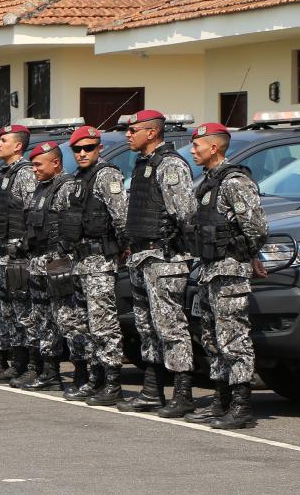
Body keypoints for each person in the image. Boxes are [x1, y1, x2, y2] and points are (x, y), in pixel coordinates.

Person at [185, 123, 268, 429]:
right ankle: (221, 400)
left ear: (214, 148)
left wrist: (248, 255)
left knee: (234, 338)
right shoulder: (209, 181)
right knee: (212, 338)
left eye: (197, 146)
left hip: (230, 270)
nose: (193, 151)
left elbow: (257, 226)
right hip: (209, 270)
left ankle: (241, 405)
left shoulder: (235, 181)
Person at [118, 110, 197, 417]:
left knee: (171, 327)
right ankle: (152, 391)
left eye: (133, 129)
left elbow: (186, 214)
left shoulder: (171, 165)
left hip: (163, 259)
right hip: (141, 258)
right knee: (146, 327)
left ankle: (183, 393)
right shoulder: (143, 165)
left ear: (151, 133)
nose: (128, 134)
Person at [58, 126, 128, 405]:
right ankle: (94, 377)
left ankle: (112, 382)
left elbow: (121, 216)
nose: (83, 153)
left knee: (103, 323)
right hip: (79, 261)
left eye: (89, 148)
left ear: (99, 148)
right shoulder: (78, 179)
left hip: (100, 260)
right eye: (77, 149)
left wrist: (123, 249)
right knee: (83, 323)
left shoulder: (107, 175)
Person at [23, 141, 77, 391]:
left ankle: (82, 374)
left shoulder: (68, 188)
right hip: (39, 262)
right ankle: (50, 372)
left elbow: (73, 228)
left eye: (37, 164)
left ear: (56, 162)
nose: (33, 169)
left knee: (68, 319)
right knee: (43, 320)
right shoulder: (41, 189)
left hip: (59, 263)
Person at [0, 125, 38, 385]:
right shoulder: (6, 173)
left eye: (3, 140)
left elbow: (30, 214)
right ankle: (17, 362)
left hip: (19, 254)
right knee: (9, 312)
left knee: (24, 312)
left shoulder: (26, 173)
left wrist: (22, 247)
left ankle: (31, 363)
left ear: (18, 145)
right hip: (2, 252)